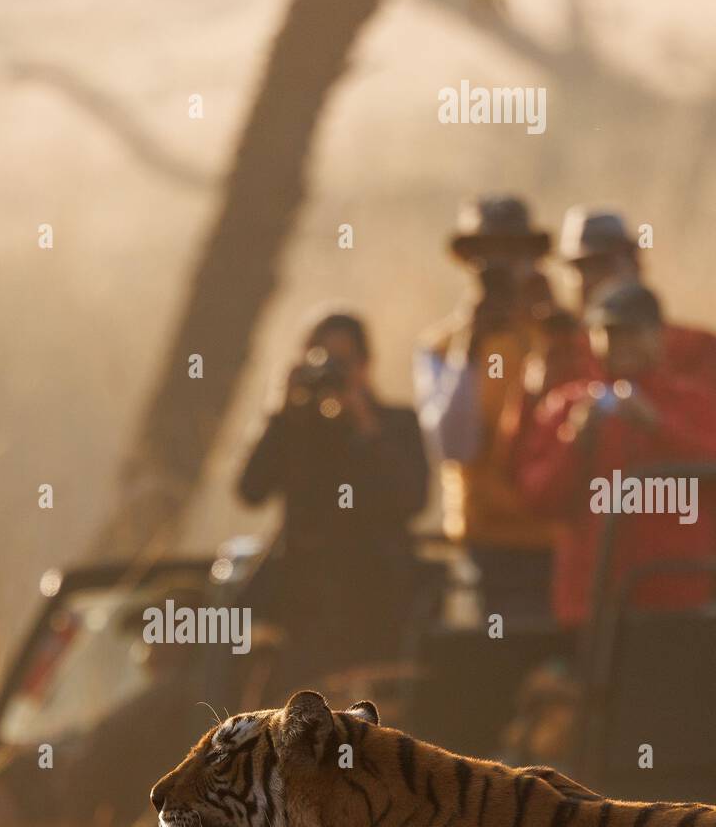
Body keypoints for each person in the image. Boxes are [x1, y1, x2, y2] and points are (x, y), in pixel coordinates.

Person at [516, 281, 716, 628]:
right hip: (591, 605)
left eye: (631, 332)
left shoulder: (694, 401)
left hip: (680, 599)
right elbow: (538, 499)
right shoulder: (567, 405)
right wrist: (574, 441)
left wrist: (658, 424)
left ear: (658, 335)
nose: (619, 344)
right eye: (607, 332)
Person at [238, 311, 428, 673]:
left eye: (341, 362)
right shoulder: (295, 427)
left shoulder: (396, 423)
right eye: (320, 359)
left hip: (378, 599)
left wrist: (367, 428)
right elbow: (251, 491)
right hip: (305, 606)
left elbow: (412, 499)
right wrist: (279, 411)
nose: (330, 373)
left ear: (365, 365)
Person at [414, 195, 561, 622]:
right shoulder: (443, 346)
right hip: (492, 541)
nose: (500, 266)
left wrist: (553, 321)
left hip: (562, 535)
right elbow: (452, 446)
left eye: (511, 253)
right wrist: (471, 347)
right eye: (488, 255)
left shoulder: (560, 331)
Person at [558, 207, 716, 390]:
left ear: (636, 266)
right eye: (582, 269)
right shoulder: (561, 355)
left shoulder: (695, 348)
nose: (592, 279)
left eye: (602, 264)